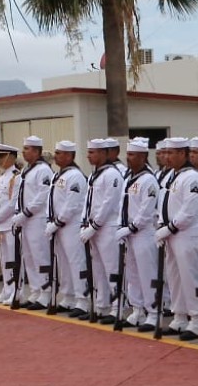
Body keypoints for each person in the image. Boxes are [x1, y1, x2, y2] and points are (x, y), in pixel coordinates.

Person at [155, 137, 198, 339]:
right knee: (174, 277)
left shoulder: (191, 177)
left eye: (171, 153)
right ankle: (179, 316)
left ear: (183, 154)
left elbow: (189, 210)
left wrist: (168, 228)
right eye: (165, 152)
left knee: (189, 277)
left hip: (186, 233)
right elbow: (163, 204)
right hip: (170, 234)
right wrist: (161, 226)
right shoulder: (171, 176)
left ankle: (196, 320)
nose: (166, 157)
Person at [115, 140, 160, 331]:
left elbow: (146, 210)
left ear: (142, 157)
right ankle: (137, 309)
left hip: (143, 233)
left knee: (147, 273)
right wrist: (121, 226)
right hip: (129, 233)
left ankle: (153, 312)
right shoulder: (128, 178)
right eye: (128, 154)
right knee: (133, 274)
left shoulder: (148, 180)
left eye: (132, 155)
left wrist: (132, 227)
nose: (128, 158)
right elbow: (122, 205)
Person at [80, 138, 123, 322]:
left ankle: (116, 307)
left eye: (93, 152)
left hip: (108, 227)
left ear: (104, 154)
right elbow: (88, 201)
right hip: (94, 228)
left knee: (112, 268)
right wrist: (84, 223)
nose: (89, 156)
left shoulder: (112, 174)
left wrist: (94, 225)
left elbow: (108, 203)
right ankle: (101, 305)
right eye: (89, 152)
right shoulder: (93, 175)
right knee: (97, 269)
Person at [44, 141, 88, 315]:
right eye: (56, 152)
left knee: (76, 262)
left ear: (70, 156)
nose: (56, 156)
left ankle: (82, 300)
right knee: (63, 262)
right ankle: (68, 296)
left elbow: (72, 204)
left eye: (60, 153)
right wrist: (51, 221)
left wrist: (57, 222)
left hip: (71, 225)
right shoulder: (59, 175)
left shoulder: (75, 176)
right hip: (59, 226)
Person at [12, 135, 53, 309]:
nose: (23, 152)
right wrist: (17, 213)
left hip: (37, 219)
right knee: (28, 256)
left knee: (40, 255)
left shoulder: (43, 170)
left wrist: (26, 213)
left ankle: (46, 292)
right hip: (25, 220)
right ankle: (35, 290)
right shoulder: (26, 170)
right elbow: (19, 194)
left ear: (36, 151)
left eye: (27, 149)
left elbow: (42, 196)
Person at [0, 144, 20, 304]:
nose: (0, 160)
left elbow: (11, 204)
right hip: (2, 224)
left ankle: (15, 290)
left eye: (3, 156)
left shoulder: (15, 176)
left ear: (12, 157)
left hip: (10, 224)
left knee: (12, 259)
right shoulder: (2, 177)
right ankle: (7, 289)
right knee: (4, 259)